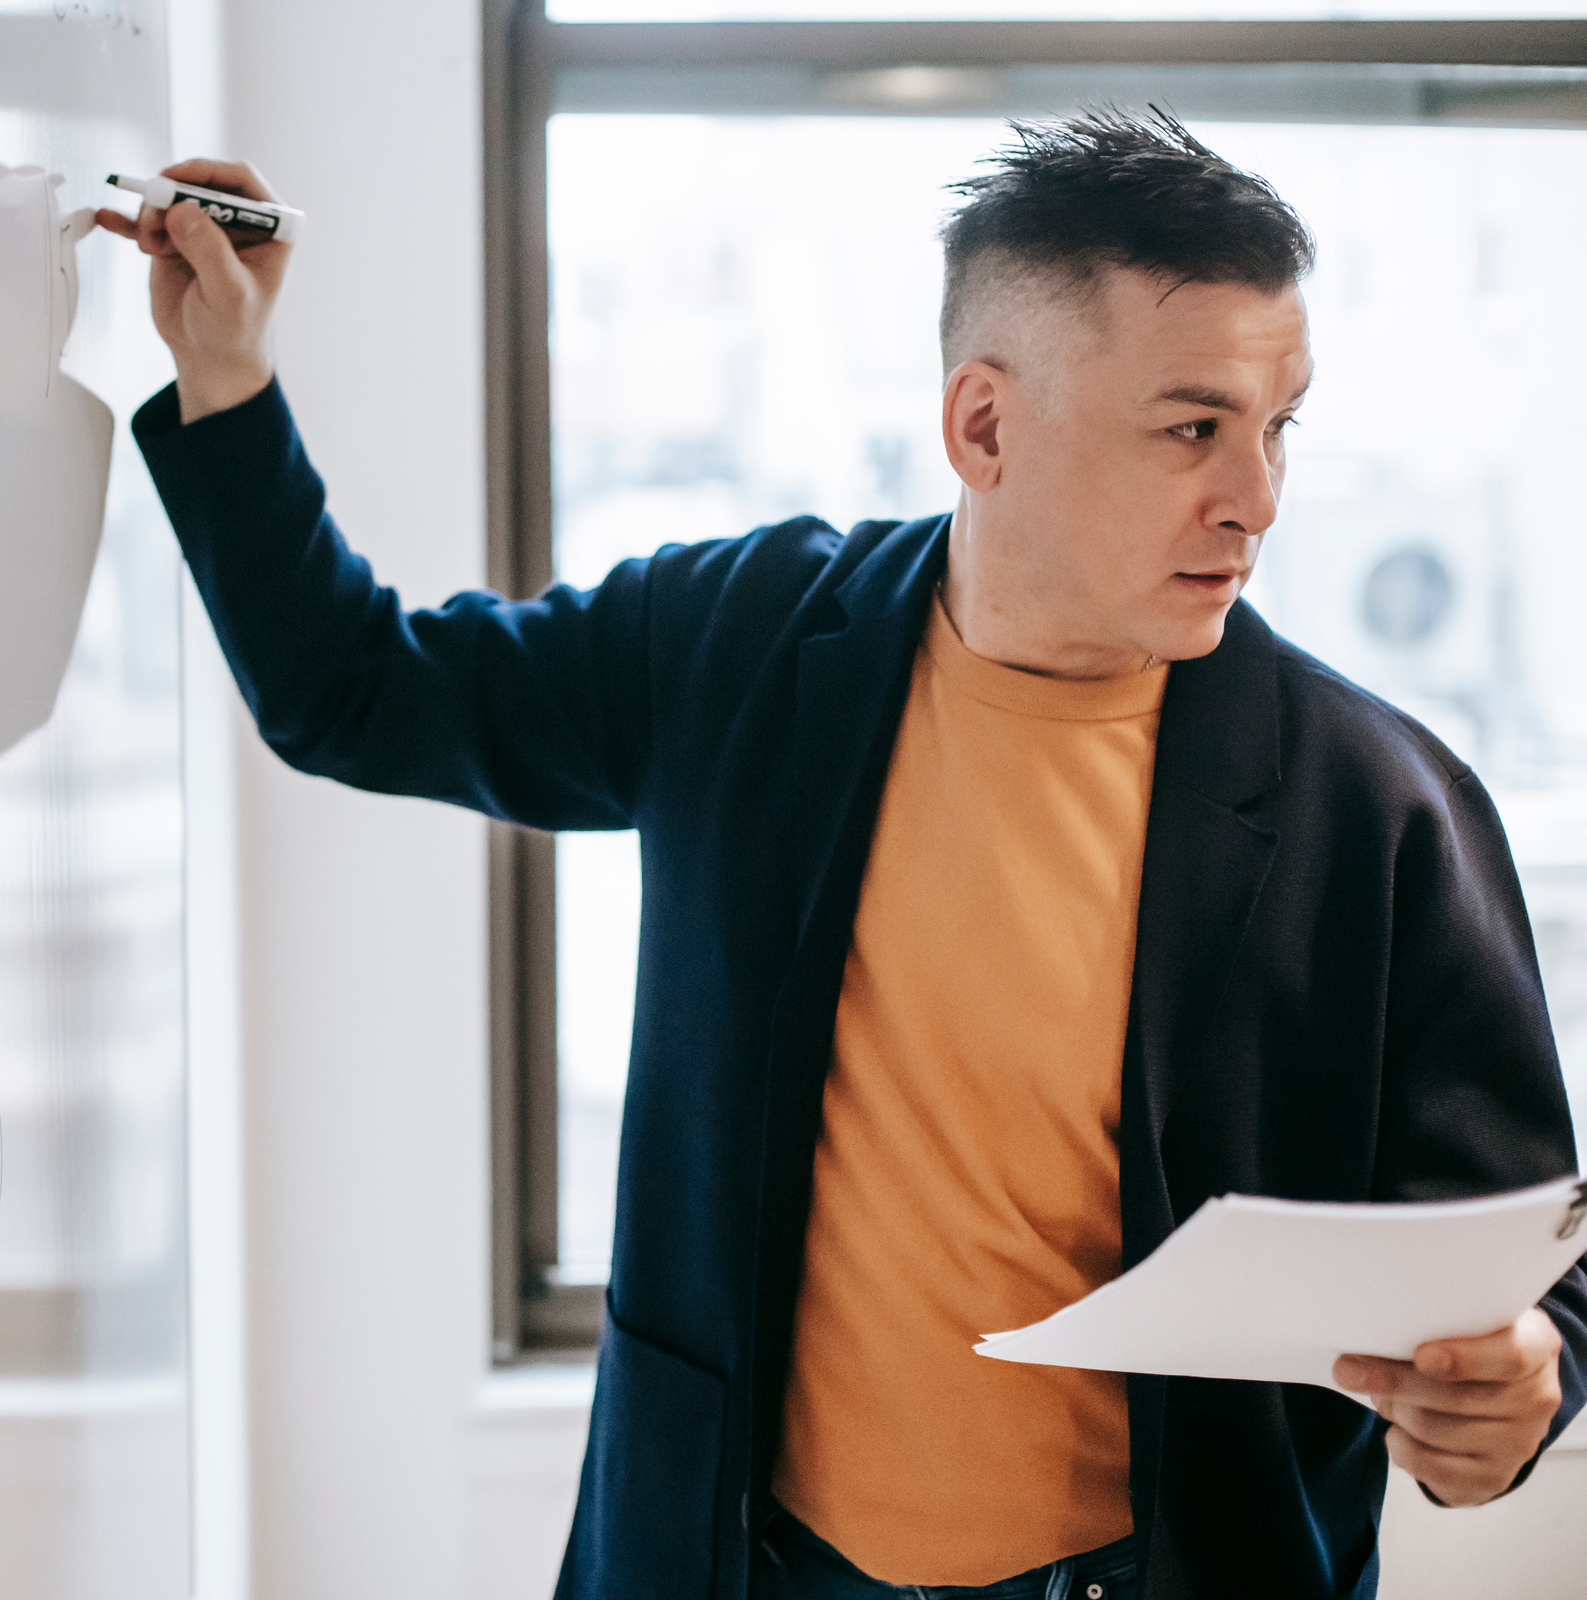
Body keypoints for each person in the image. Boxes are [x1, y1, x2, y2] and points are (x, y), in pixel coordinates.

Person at [95, 109, 1587, 1600]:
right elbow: (357, 693)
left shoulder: (1379, 805)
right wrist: (225, 373)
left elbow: (1538, 1264)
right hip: (740, 1562)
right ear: (983, 426)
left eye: (1279, 429)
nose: (1256, 500)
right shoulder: (736, 645)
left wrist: (1523, 1383)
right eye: (1194, 429)